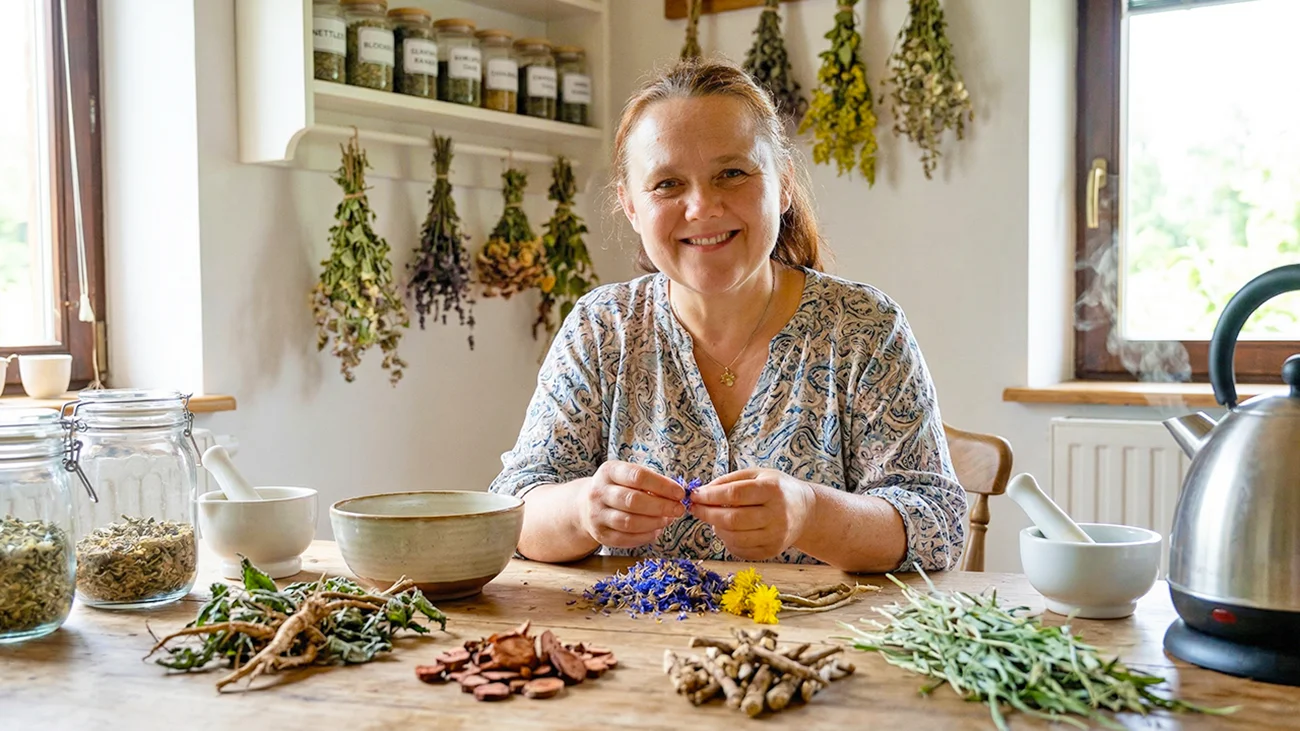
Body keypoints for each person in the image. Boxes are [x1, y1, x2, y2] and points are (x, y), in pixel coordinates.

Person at [489, 59, 966, 573]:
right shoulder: (601, 329)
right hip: (635, 645)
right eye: (668, 184)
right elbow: (510, 511)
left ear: (783, 186)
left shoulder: (863, 327)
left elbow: (938, 526)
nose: (702, 207)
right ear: (631, 207)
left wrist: (810, 513)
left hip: (818, 647)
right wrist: (583, 510)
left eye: (732, 173)